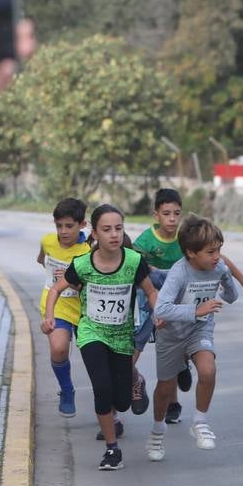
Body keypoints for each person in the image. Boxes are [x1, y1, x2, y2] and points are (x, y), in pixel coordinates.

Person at [41, 204, 160, 470]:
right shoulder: (83, 264)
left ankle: (133, 377)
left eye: (118, 228)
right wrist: (49, 316)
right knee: (102, 389)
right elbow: (56, 288)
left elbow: (151, 291)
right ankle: (111, 449)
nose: (114, 234)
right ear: (94, 233)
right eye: (107, 230)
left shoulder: (133, 261)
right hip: (91, 333)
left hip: (121, 336)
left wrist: (158, 312)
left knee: (122, 401)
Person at [147, 217, 241, 461]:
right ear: (190, 253)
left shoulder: (218, 267)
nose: (217, 256)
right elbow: (161, 310)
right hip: (172, 335)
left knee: (208, 370)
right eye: (210, 252)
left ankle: (199, 422)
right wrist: (195, 310)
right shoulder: (179, 272)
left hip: (199, 330)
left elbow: (232, 296)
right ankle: (158, 430)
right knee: (166, 388)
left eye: (219, 249)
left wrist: (228, 281)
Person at [129, 188, 184, 419]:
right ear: (156, 215)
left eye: (176, 214)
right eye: (166, 213)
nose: (172, 219)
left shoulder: (185, 238)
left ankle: (172, 404)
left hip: (176, 301)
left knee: (172, 349)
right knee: (133, 349)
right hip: (147, 300)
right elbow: (137, 267)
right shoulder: (144, 241)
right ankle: (133, 380)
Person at [37, 197, 91, 417]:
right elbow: (41, 259)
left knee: (94, 359)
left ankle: (108, 406)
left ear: (82, 225)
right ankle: (67, 390)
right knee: (59, 348)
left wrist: (71, 280)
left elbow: (89, 286)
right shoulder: (48, 241)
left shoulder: (87, 252)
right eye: (59, 226)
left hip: (83, 309)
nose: (63, 231)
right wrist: (55, 280)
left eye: (69, 226)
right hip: (55, 304)